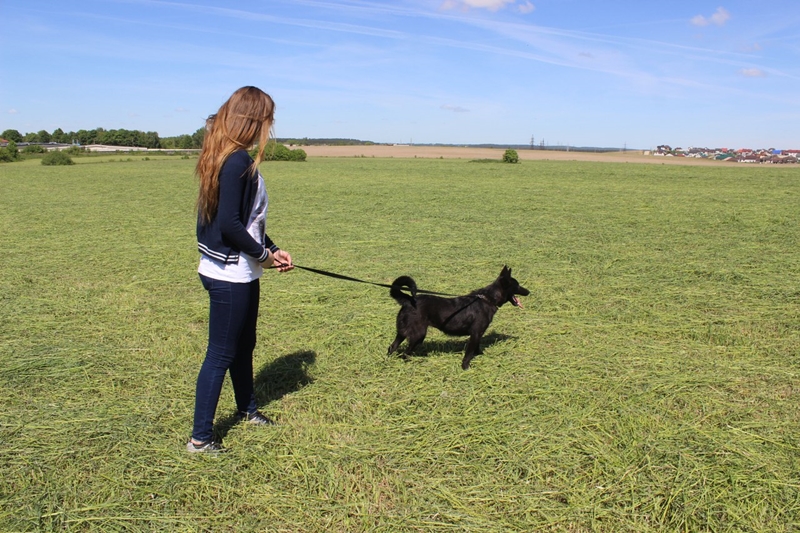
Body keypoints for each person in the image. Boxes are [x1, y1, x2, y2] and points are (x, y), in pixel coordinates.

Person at [188, 86, 294, 453]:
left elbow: (245, 221)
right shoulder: (236, 162)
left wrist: (272, 249)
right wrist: (263, 256)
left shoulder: (227, 156)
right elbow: (231, 227)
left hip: (238, 268)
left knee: (244, 344)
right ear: (253, 119)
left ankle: (248, 409)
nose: (270, 126)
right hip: (229, 272)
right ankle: (201, 438)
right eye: (267, 119)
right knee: (220, 353)